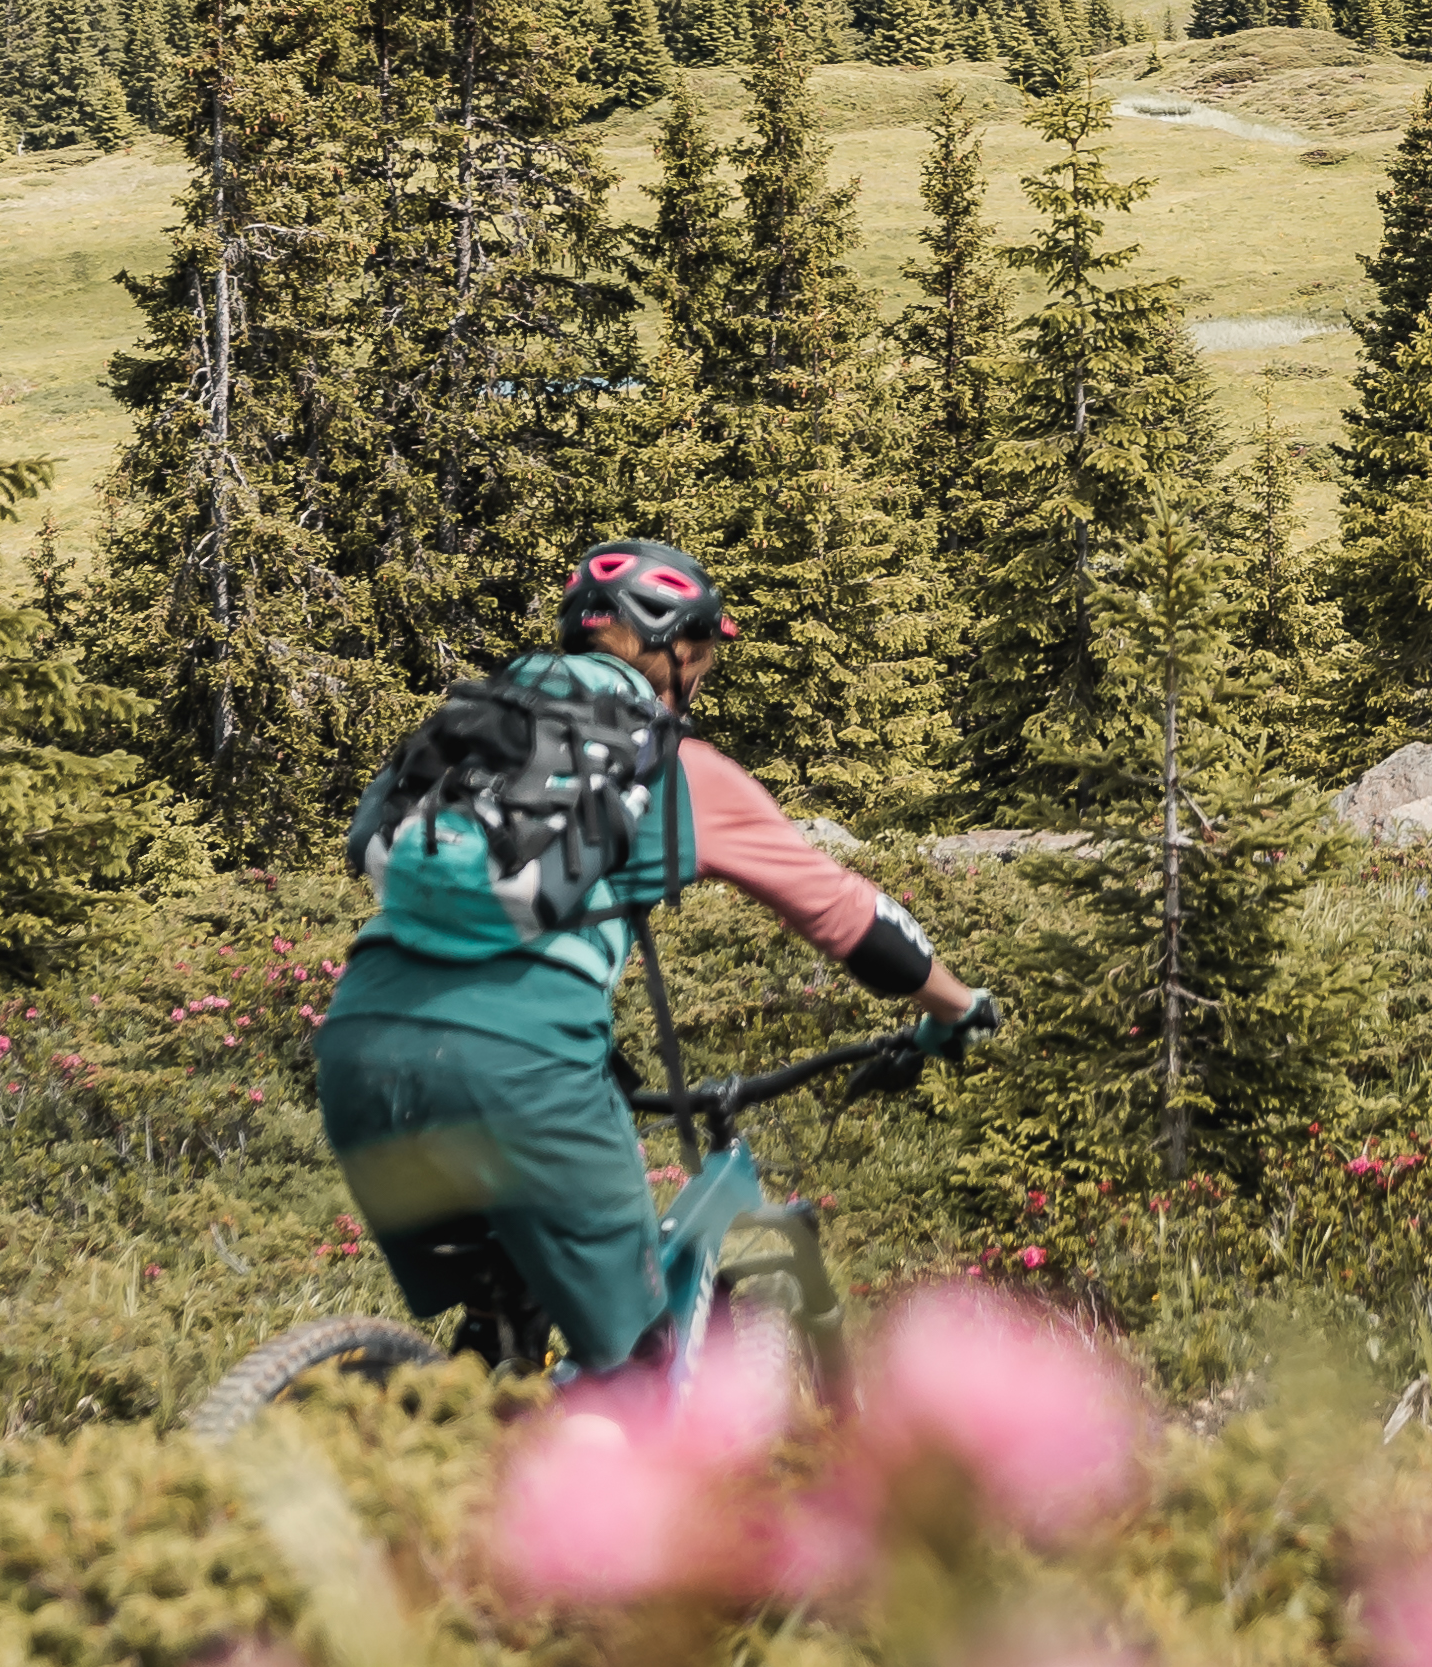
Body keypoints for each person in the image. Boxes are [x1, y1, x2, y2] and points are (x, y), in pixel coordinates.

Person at [308, 535, 988, 1377]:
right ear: (666, 650)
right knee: (635, 1372)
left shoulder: (469, 742)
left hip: (360, 1057)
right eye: (700, 649)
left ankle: (433, 1459)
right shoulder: (675, 769)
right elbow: (857, 920)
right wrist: (957, 1010)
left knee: (495, 1347)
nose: (701, 669)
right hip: (522, 1070)